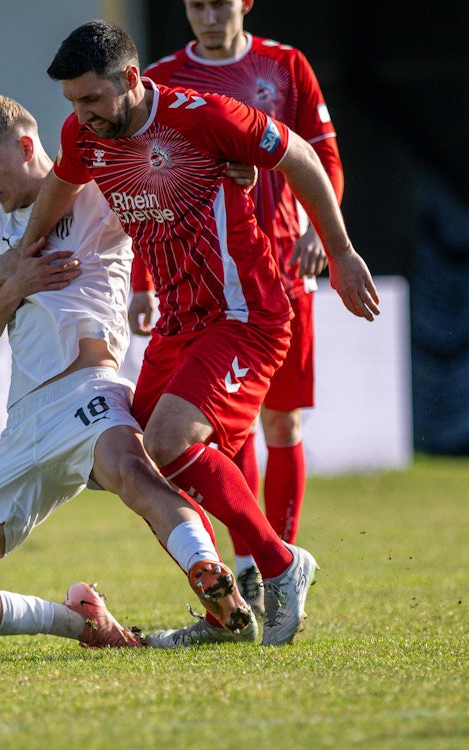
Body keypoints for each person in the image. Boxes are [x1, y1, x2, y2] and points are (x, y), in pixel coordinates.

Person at [16, 20, 380, 646]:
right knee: (135, 457)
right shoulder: (84, 134)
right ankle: (226, 609)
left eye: (93, 98)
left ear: (132, 80)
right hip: (178, 324)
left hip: (246, 314)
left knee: (169, 440)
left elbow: (298, 153)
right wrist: (25, 251)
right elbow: (63, 181)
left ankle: (280, 562)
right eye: (72, 101)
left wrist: (340, 249)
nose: (82, 115)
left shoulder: (203, 115)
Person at [0, 93, 258, 649]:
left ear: (25, 145)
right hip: (22, 428)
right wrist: (13, 286)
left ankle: (214, 581)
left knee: (134, 473)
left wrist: (232, 168)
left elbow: (172, 174)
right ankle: (81, 623)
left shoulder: (100, 190)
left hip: (92, 391)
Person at [135, 0, 345, 614]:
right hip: (207, 284)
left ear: (244, 2)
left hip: (284, 269)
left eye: (218, 1)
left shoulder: (286, 65)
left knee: (282, 423)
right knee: (213, 435)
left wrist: (317, 227)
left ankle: (281, 557)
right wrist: (145, 281)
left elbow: (322, 155)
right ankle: (254, 563)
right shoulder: (162, 79)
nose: (206, 14)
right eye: (195, 3)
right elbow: (145, 185)